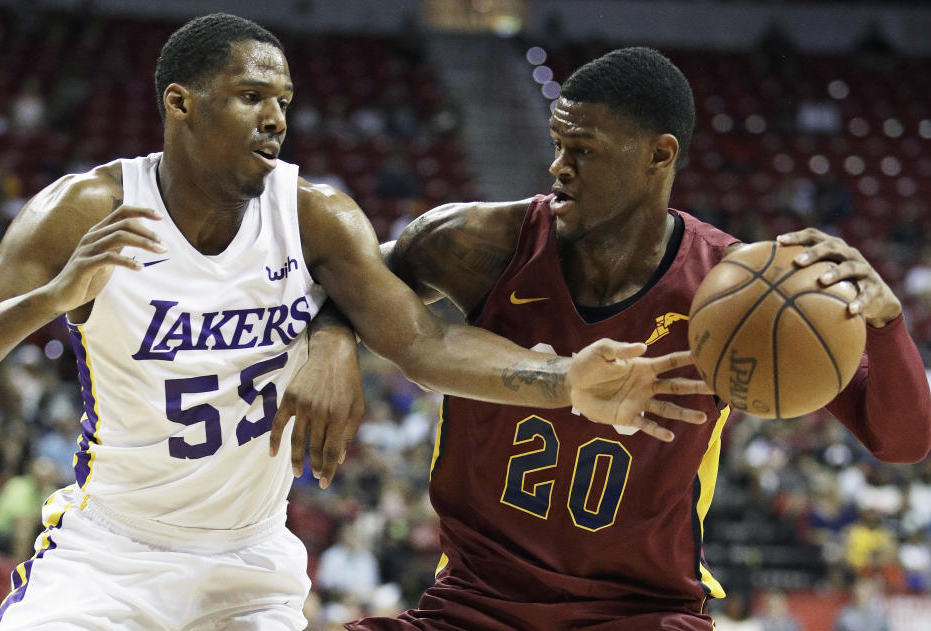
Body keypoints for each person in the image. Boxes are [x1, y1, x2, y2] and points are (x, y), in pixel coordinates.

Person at [0, 16, 711, 631]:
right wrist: (51, 298)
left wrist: (562, 381)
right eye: (251, 95)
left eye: (284, 100)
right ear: (180, 103)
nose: (275, 118)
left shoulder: (312, 216)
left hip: (250, 566)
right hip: (112, 553)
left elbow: (422, 340)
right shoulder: (88, 209)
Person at [341, 47, 931, 630]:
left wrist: (884, 326)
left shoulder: (735, 292)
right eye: (558, 145)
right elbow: (346, 280)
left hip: (644, 613)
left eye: (584, 151)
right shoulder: (483, 244)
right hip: (475, 603)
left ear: (660, 155)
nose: (558, 167)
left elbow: (902, 442)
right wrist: (325, 350)